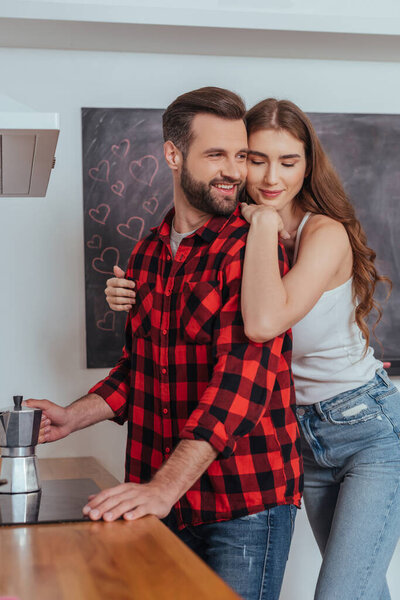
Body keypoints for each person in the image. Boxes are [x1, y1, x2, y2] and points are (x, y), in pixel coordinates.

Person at [106, 97, 400, 600]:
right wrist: (131, 293)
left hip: (364, 431)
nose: (270, 177)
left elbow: (262, 324)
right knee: (363, 588)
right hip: (300, 438)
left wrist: (264, 223)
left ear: (309, 166)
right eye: (255, 158)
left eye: (289, 162)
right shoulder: (229, 232)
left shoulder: (321, 233)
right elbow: (191, 332)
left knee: (341, 592)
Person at [27, 88, 302, 600]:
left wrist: (164, 487)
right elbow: (142, 368)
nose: (235, 171)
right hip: (165, 496)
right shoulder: (149, 253)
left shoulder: (252, 248)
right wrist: (74, 415)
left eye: (241, 155)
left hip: (242, 502)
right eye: (216, 155)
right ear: (174, 155)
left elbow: (242, 380)